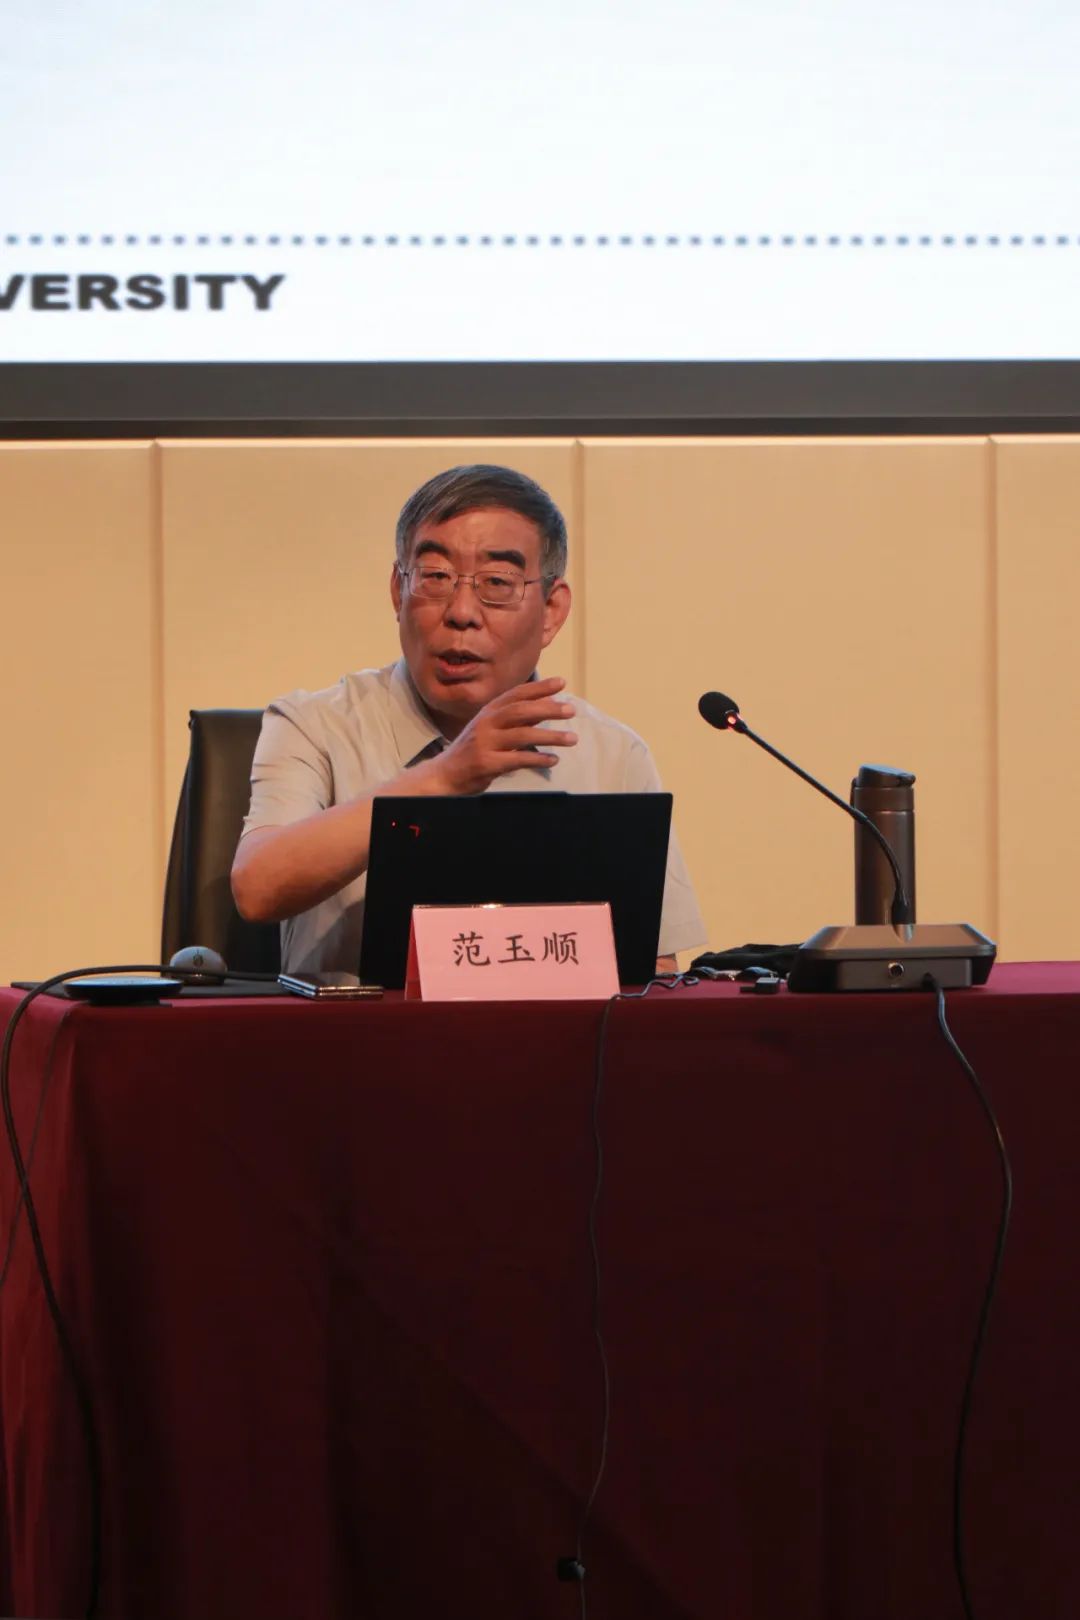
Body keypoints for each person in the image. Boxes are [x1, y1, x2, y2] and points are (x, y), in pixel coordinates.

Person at [231, 464, 705, 974]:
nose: (461, 612)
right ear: (398, 591)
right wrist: (445, 776)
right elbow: (257, 889)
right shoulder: (314, 726)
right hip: (360, 1028)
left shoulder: (612, 755)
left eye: (497, 583)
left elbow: (654, 971)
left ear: (551, 610)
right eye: (435, 577)